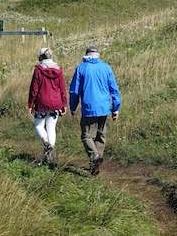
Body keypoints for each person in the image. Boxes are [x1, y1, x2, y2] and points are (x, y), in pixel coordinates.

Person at [69, 46, 121, 176]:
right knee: (100, 135)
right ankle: (95, 165)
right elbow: (114, 90)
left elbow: (75, 91)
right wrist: (116, 109)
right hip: (104, 108)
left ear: (87, 55)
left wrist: (72, 107)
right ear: (98, 55)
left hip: (89, 108)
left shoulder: (81, 68)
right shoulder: (106, 68)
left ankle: (94, 157)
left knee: (87, 136)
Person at [28, 47, 68, 164]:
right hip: (56, 103)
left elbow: (34, 88)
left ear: (41, 57)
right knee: (51, 128)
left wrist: (31, 104)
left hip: (42, 102)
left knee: (39, 126)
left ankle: (46, 144)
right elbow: (62, 87)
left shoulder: (38, 70)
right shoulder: (59, 70)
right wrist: (64, 103)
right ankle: (50, 153)